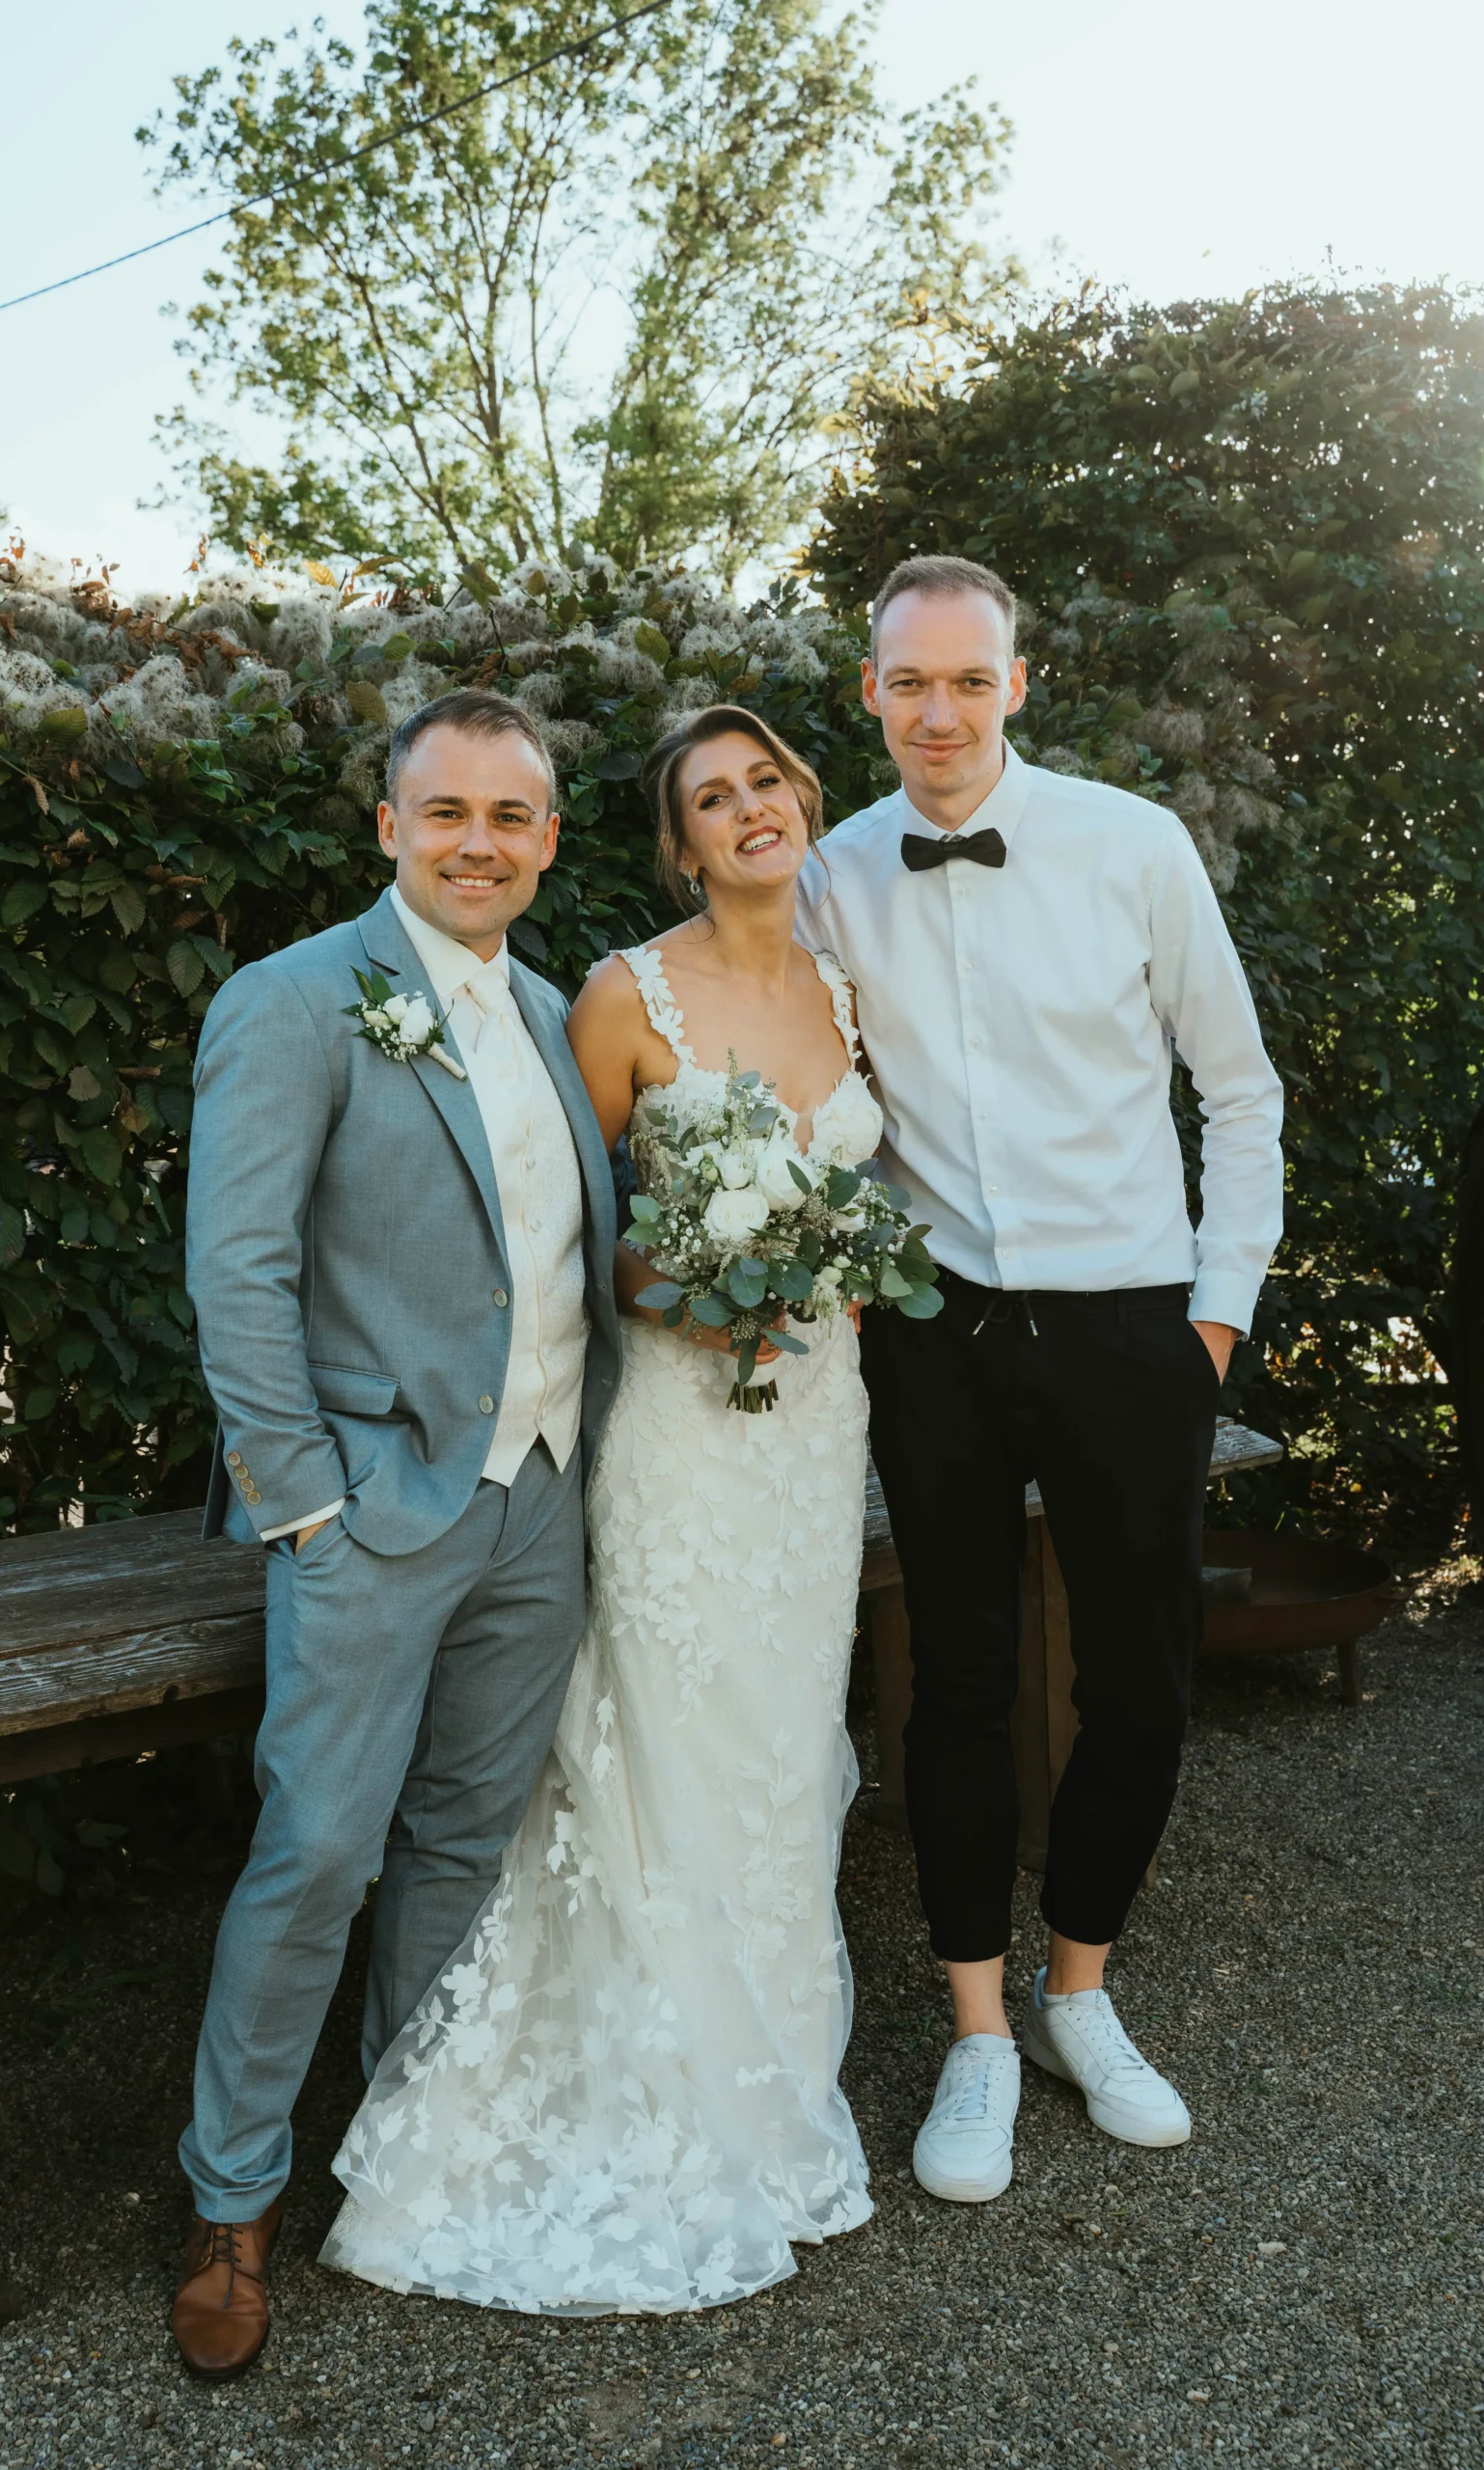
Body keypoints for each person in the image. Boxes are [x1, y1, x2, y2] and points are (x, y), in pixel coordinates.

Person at [319, 704, 877, 2313]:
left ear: (800, 802)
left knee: (783, 1749)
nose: (746, 809)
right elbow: (556, 1234)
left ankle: (775, 2077)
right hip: (679, 1436)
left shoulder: (849, 986)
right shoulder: (625, 997)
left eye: (764, 781)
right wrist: (694, 1289)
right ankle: (660, 2081)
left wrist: (832, 1268)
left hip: (814, 1433)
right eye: (711, 798)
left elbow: (872, 1195)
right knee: (667, 1735)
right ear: (676, 844)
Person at [797, 555, 1283, 2205]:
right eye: (907, 682)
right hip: (935, 1330)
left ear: (1016, 685)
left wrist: (1211, 1319)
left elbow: (1239, 1091)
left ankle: (1079, 1992)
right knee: (956, 1683)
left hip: (1132, 1326)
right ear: (870, 692)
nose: (937, 712)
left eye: (967, 680)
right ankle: (976, 2032)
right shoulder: (830, 874)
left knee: (1141, 1681)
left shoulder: (1130, 845)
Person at [172, 689, 622, 2377]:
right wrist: (303, 1502)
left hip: (538, 1501)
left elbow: (557, 1254)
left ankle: (407, 2152)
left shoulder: (557, 1013)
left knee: (461, 1844)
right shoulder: (292, 1001)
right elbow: (239, 1270)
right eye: (446, 811)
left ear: (548, 839)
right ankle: (232, 2202)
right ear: (388, 826)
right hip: (367, 1510)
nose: (477, 844)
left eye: (510, 816)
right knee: (316, 1854)